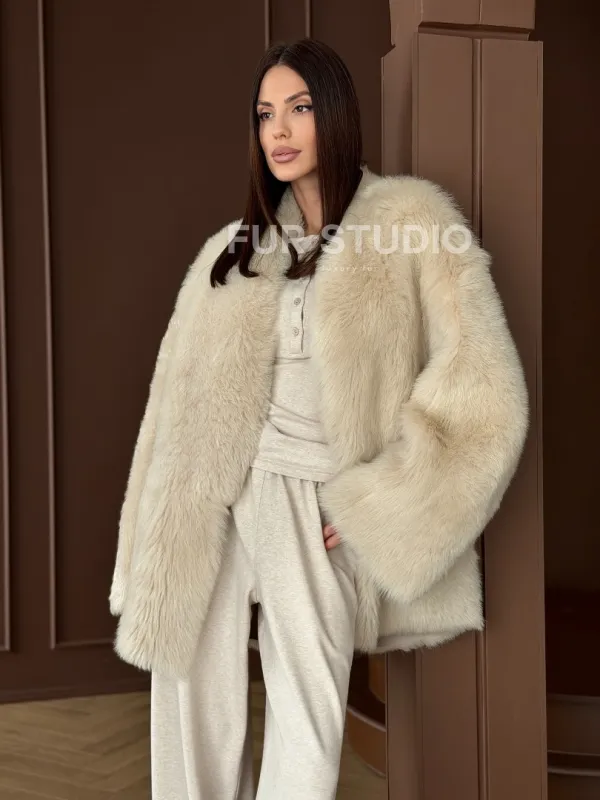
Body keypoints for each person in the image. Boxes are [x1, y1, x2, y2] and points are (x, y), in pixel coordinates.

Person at [109, 37, 529, 800]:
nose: (278, 129)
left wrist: (380, 505)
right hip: (213, 498)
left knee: (306, 717)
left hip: (312, 496)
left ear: (333, 114)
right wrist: (148, 539)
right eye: (264, 113)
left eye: (298, 108)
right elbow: (168, 408)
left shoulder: (412, 223)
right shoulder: (231, 253)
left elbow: (485, 392)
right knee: (188, 700)